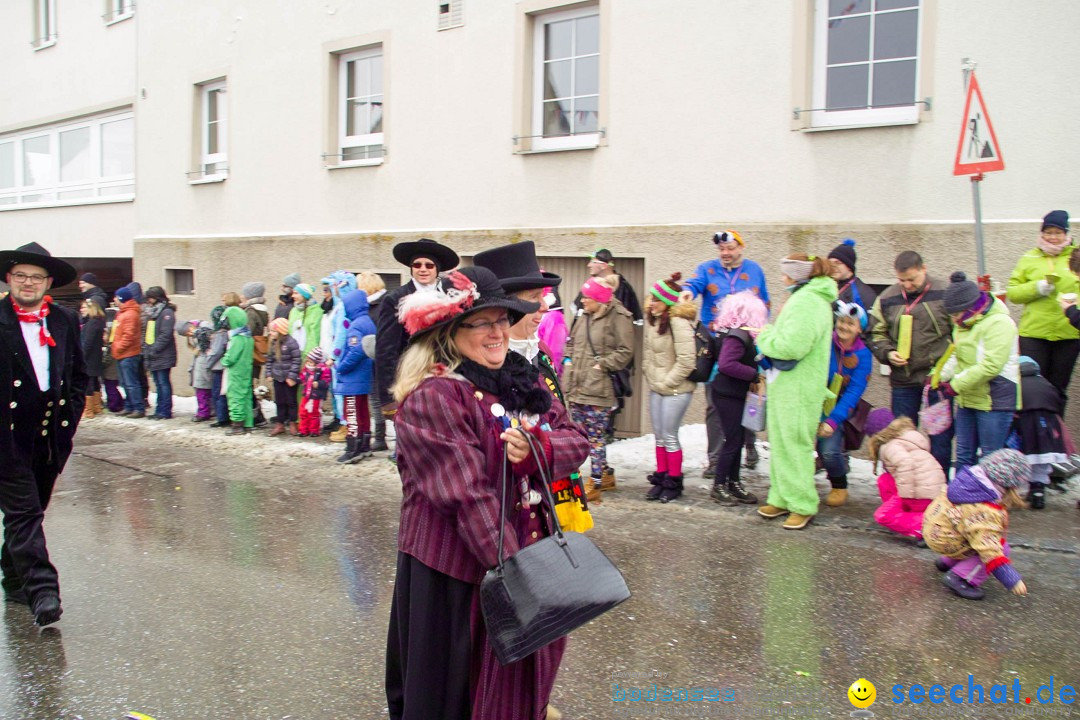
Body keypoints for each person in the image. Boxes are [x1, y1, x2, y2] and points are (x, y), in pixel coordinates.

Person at [385, 265, 588, 720]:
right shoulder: (433, 397)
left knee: (521, 670)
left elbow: (576, 439)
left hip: (519, 552)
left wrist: (539, 447)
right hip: (458, 569)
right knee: (459, 685)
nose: (498, 332)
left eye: (502, 319)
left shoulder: (523, 381)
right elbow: (466, 495)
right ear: (449, 332)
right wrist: (518, 577)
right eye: (482, 323)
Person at [474, 240, 593, 537]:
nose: (545, 306)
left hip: (543, 508)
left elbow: (574, 436)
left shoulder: (537, 350)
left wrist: (543, 447)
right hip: (500, 526)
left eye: (542, 296)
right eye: (533, 297)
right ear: (506, 307)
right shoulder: (473, 371)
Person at [0, 242, 88, 626]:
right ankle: (43, 591)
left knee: (31, 511)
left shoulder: (65, 319)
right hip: (6, 438)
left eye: (36, 277)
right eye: (21, 275)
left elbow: (80, 375)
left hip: (50, 435)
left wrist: (71, 410)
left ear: (48, 283)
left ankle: (14, 578)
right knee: (24, 512)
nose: (28, 283)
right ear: (8, 279)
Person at [755, 254, 837, 530]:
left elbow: (792, 346)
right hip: (788, 385)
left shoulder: (809, 301)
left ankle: (802, 503)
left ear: (797, 275)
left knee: (795, 446)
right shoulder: (806, 298)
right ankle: (782, 496)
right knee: (780, 444)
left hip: (799, 387)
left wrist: (764, 335)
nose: (782, 279)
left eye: (785, 274)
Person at [681, 230, 771, 474]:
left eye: (730, 248)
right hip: (717, 345)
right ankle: (715, 458)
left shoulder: (755, 270)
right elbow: (694, 283)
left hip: (747, 344)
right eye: (722, 249)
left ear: (740, 247)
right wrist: (688, 291)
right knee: (715, 402)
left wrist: (763, 339)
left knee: (749, 397)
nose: (725, 253)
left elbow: (765, 305)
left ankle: (749, 445)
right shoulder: (707, 268)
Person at [868, 251, 954, 472]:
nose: (907, 285)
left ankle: (940, 485)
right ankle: (902, 486)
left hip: (936, 381)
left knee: (940, 439)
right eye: (901, 280)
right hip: (903, 380)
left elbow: (959, 333)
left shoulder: (944, 292)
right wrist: (887, 353)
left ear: (923, 269)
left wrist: (948, 369)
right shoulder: (886, 298)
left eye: (912, 279)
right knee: (901, 438)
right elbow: (875, 333)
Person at [937, 271, 1020, 470]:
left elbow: (990, 365)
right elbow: (957, 354)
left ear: (972, 307)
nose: (954, 320)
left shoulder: (1000, 323)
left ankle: (990, 501)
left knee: (990, 460)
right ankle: (962, 499)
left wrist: (955, 384)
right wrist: (939, 374)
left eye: (956, 315)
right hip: (968, 397)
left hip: (994, 401)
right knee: (964, 456)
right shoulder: (964, 323)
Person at [923, 449, 1030, 600]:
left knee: (970, 533)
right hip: (946, 539)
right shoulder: (984, 509)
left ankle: (947, 562)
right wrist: (1011, 580)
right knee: (999, 547)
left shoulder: (968, 483)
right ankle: (960, 578)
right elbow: (989, 550)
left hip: (934, 529)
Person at [563, 276, 634, 501]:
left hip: (598, 388)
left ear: (599, 300)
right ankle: (604, 475)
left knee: (594, 438)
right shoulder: (584, 315)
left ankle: (594, 484)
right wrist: (568, 360)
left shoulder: (619, 317)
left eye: (587, 297)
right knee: (579, 436)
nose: (582, 301)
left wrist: (601, 365)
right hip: (576, 384)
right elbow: (571, 341)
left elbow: (625, 351)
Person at [376, 238, 459, 420]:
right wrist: (389, 399)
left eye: (429, 265)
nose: (423, 269)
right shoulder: (395, 299)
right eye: (417, 264)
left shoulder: (451, 298)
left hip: (447, 381)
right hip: (411, 382)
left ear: (437, 269)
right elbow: (386, 350)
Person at [706, 291, 768, 506]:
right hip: (728, 394)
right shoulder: (737, 336)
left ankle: (733, 482)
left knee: (738, 440)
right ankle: (719, 485)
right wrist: (753, 374)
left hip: (736, 394)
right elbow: (726, 364)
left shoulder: (737, 334)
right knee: (732, 441)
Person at [1005, 210, 1077, 396]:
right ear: (1041, 233)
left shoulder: (1075, 257)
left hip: (1068, 334)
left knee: (1058, 388)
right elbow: (1013, 293)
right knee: (1032, 386)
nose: (1053, 237)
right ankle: (1035, 425)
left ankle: (1056, 425)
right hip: (1034, 334)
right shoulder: (1029, 258)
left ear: (1067, 233)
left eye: (1058, 232)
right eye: (1048, 232)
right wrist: (1037, 288)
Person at [641, 273, 698, 504]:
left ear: (667, 301)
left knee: (670, 437)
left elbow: (687, 361)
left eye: (656, 299)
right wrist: (649, 373)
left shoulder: (678, 323)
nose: (651, 303)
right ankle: (662, 478)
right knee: (659, 437)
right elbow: (648, 353)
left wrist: (666, 382)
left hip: (676, 390)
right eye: (651, 299)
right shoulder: (655, 322)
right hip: (657, 388)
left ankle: (674, 482)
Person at [817, 302, 873, 507]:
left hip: (838, 408)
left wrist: (833, 420)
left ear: (859, 328)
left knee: (830, 452)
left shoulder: (863, 355)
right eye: (841, 321)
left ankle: (839, 485)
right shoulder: (825, 341)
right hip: (813, 400)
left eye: (850, 323)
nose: (844, 326)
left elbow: (854, 392)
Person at [867, 411, 946, 540]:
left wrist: (905, 495)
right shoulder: (908, 438)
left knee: (883, 515)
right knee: (885, 480)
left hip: (920, 495)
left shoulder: (889, 446)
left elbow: (905, 463)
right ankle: (915, 517)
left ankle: (927, 527)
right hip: (932, 492)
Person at [1011, 356, 1067, 509]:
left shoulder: (1016, 383)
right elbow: (1059, 401)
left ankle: (1015, 493)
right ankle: (1038, 492)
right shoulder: (1046, 384)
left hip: (1024, 425)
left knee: (1022, 457)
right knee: (1042, 460)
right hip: (1047, 426)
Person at [333, 289, 376, 464]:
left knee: (351, 412)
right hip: (364, 377)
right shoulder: (369, 322)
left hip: (352, 378)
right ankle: (364, 444)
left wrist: (341, 367)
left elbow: (356, 350)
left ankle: (352, 448)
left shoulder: (356, 325)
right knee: (362, 411)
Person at [356, 272, 390, 451]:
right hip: (371, 357)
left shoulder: (381, 305)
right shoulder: (369, 306)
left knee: (383, 399)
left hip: (381, 357)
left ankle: (383, 437)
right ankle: (379, 436)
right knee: (375, 398)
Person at [142, 286, 177, 420]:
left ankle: (165, 410)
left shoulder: (166, 312)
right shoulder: (154, 313)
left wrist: (154, 348)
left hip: (162, 354)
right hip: (153, 353)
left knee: (163, 382)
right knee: (158, 383)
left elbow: (165, 334)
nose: (148, 301)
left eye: (150, 298)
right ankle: (159, 409)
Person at [111, 285, 145, 418]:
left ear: (121, 299)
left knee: (131, 383)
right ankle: (129, 406)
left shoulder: (130, 314)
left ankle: (138, 408)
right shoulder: (123, 313)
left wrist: (118, 348)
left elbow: (129, 336)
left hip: (128, 354)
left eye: (116, 297)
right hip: (122, 354)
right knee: (125, 383)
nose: (114, 300)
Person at [220, 305, 254, 435]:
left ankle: (237, 423)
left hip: (236, 372)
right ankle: (248, 424)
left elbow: (231, 357)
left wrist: (224, 360)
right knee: (246, 396)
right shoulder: (248, 337)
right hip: (246, 370)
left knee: (235, 396)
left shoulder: (237, 338)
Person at [240, 281, 270, 428]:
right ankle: (257, 416)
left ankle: (256, 417)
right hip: (257, 353)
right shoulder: (262, 310)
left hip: (250, 353)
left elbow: (247, 332)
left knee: (247, 385)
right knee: (250, 384)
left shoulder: (251, 312)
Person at [266, 317, 301, 436]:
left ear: (281, 332)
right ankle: (280, 424)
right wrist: (269, 373)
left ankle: (292, 422)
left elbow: (297, 360)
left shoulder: (291, 343)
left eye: (273, 331)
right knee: (279, 401)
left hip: (289, 379)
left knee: (291, 401)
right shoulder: (273, 344)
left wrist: (292, 376)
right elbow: (269, 360)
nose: (271, 333)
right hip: (278, 377)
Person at [827, 238, 878, 315]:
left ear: (849, 267)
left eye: (838, 263)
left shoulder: (863, 293)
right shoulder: (826, 287)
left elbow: (871, 323)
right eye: (830, 263)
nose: (833, 266)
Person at [179, 320, 215, 423]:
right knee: (204, 390)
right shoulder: (198, 332)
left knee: (202, 390)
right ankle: (208, 411)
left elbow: (209, 344)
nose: (189, 334)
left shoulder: (203, 329)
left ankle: (203, 412)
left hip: (204, 364)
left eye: (188, 332)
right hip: (202, 364)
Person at [80, 298, 106, 420]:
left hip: (89, 358)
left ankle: (89, 410)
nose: (82, 310)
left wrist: (81, 357)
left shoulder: (92, 323)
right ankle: (96, 407)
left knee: (89, 383)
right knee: (95, 382)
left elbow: (87, 343)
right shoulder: (98, 321)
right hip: (96, 357)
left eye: (84, 307)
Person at [298, 346, 331, 437]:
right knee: (303, 412)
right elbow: (302, 377)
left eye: (311, 362)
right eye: (308, 361)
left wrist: (319, 384)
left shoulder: (323, 370)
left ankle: (314, 430)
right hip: (307, 394)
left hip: (316, 395)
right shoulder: (306, 369)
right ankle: (303, 429)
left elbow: (327, 381)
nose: (309, 364)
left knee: (315, 413)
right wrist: (299, 379)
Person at [207, 306, 231, 427]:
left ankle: (222, 417)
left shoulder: (220, 334)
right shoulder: (227, 332)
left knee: (218, 393)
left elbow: (216, 351)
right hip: (221, 366)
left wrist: (208, 362)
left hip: (218, 367)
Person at [288, 283, 324, 361]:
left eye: (296, 293)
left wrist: (309, 357)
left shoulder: (316, 311)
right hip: (292, 356)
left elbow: (314, 336)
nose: (292, 296)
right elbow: (290, 331)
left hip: (307, 358)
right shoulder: (294, 311)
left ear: (305, 295)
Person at [537, 287, 568, 372]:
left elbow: (554, 353)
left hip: (545, 375)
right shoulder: (540, 314)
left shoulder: (554, 318)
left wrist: (548, 376)